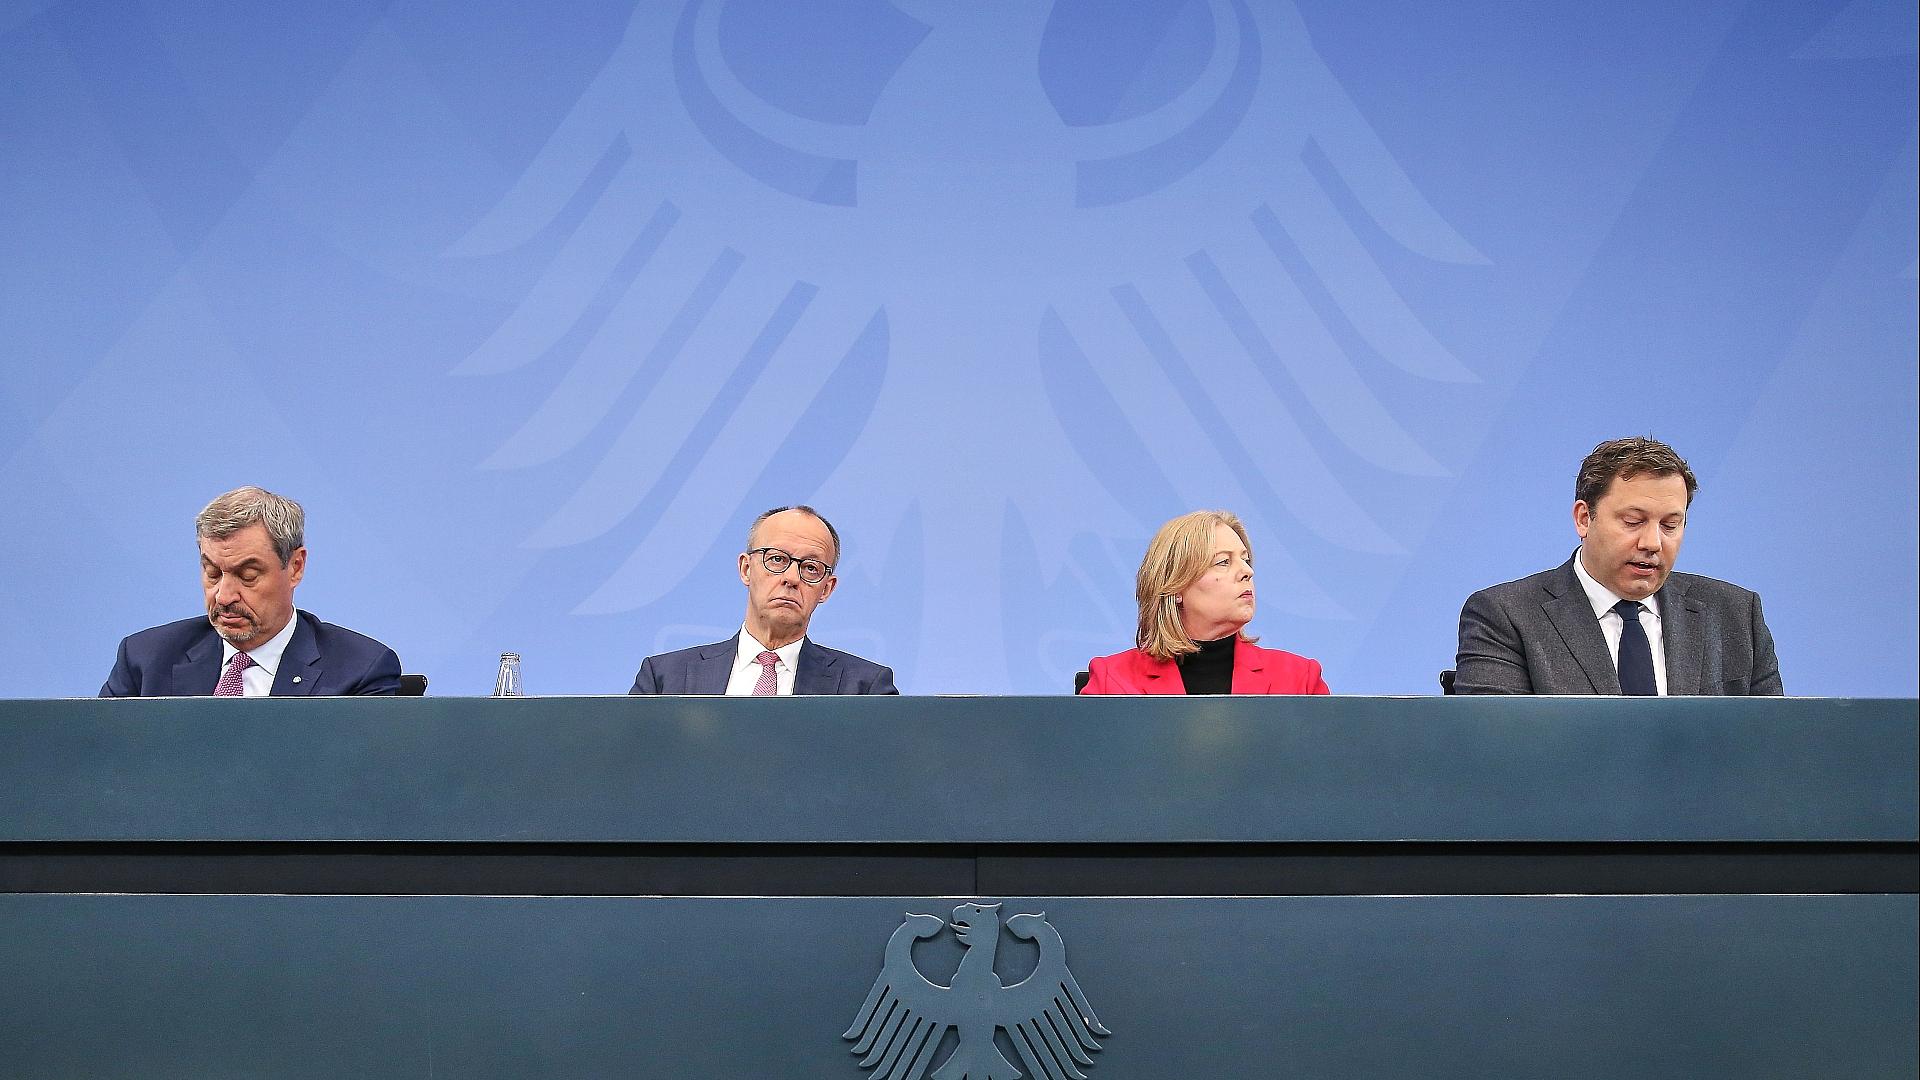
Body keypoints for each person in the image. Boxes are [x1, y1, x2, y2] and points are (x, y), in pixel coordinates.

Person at [1453, 436, 1781, 695]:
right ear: (1584, 519)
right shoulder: (1505, 616)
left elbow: (1771, 745)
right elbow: (1498, 748)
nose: (1652, 543)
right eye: (1633, 521)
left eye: (1670, 525)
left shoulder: (1737, 615)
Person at [101, 487, 402, 697]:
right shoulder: (145, 660)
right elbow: (97, 762)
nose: (224, 596)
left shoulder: (360, 671)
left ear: (295, 567)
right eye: (212, 573)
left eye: (248, 576)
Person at [629, 505, 898, 695]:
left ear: (827, 589)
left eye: (810, 568)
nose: (791, 578)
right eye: (777, 559)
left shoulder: (865, 689)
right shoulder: (665, 679)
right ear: (746, 569)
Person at [1081, 510, 1329, 695]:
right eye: (1223, 562)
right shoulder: (1112, 682)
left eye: (1245, 560)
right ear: (1176, 586)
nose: (1247, 572)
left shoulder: (1300, 680)